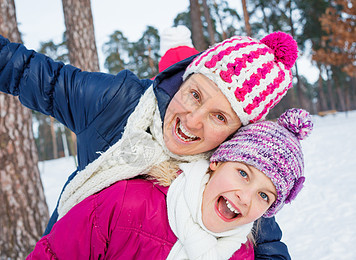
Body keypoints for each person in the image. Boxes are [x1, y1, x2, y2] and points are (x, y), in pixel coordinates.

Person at [0, 31, 297, 258]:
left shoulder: (230, 174)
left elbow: (266, 242)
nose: (192, 122)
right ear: (183, 80)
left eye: (218, 117)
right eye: (195, 95)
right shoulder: (116, 102)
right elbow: (34, 74)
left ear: (235, 134)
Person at [26, 108, 313, 259]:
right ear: (217, 162)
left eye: (264, 195)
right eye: (243, 173)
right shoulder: (126, 202)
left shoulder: (242, 254)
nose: (246, 197)